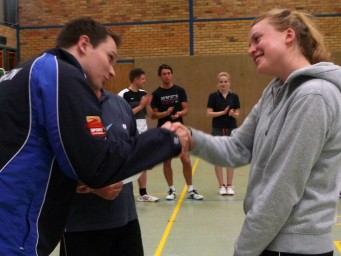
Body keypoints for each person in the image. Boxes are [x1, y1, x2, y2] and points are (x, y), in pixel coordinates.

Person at [0, 17, 181, 255]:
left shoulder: (26, 72)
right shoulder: (60, 74)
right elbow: (96, 164)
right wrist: (167, 139)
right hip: (14, 230)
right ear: (84, 44)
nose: (113, 69)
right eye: (110, 57)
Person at [169, 8, 341, 256]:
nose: (250, 49)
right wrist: (190, 137)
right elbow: (237, 148)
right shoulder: (275, 91)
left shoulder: (313, 96)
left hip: (295, 248)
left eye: (257, 39)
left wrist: (244, 250)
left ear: (289, 35)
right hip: (271, 240)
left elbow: (282, 189)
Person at [60, 88, 145, 256]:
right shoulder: (63, 106)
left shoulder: (120, 104)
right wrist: (93, 186)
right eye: (107, 59)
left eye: (112, 60)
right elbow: (51, 167)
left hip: (126, 221)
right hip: (82, 227)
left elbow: (133, 151)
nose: (111, 70)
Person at [151, 64, 203, 200]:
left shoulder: (180, 90)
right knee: (167, 161)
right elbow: (154, 115)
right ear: (160, 76)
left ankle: (191, 189)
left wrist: (179, 112)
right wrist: (165, 113)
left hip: (179, 130)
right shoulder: (156, 94)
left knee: (185, 159)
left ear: (172, 74)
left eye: (169, 73)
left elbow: (186, 110)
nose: (167, 76)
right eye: (164, 74)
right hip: (164, 130)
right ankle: (171, 189)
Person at [118, 68, 159, 202]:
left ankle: (143, 193)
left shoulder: (143, 93)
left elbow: (150, 115)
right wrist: (140, 106)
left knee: (143, 162)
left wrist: (147, 104)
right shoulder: (123, 94)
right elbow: (122, 115)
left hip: (142, 131)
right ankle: (122, 191)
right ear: (135, 79)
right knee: (127, 162)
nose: (145, 81)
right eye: (142, 78)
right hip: (129, 132)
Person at [207, 72, 240, 195]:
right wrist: (222, 112)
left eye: (225, 81)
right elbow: (209, 113)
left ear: (229, 83)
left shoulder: (234, 97)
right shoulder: (213, 96)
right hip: (217, 129)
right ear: (218, 83)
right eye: (221, 82)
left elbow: (237, 114)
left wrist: (232, 114)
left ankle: (229, 185)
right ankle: (221, 186)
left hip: (231, 128)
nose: (223, 84)